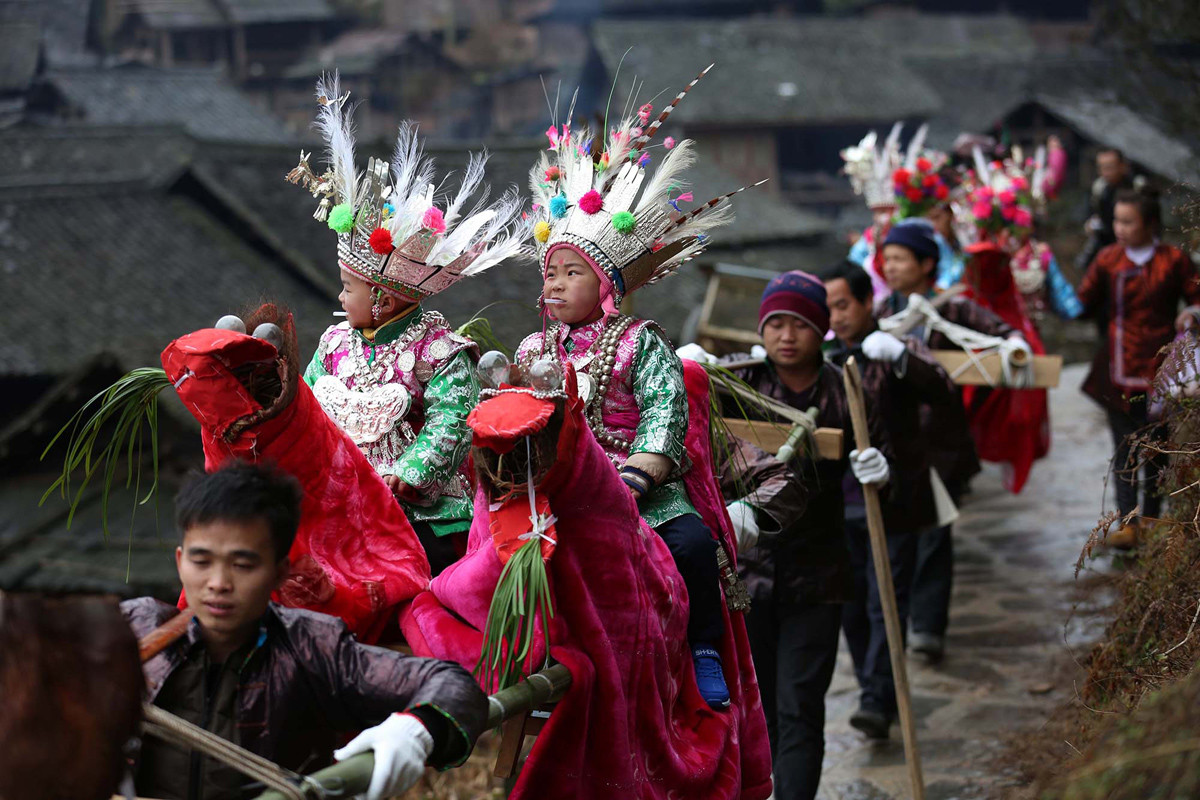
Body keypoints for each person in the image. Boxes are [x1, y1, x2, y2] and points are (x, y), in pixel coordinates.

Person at [516, 95, 760, 711]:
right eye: (550, 272)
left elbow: (664, 413)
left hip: (635, 483)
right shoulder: (532, 346)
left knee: (691, 545)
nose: (554, 282)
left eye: (571, 272)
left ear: (605, 285)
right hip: (557, 485)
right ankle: (531, 659)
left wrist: (636, 477)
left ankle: (704, 648)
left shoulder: (639, 340)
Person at [123, 462, 488, 800]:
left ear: (281, 571)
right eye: (201, 562)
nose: (218, 583)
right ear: (179, 561)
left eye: (243, 565)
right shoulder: (133, 629)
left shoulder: (312, 646)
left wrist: (417, 730)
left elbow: (454, 683)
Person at [290, 77, 525, 576]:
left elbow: (452, 422)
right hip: (338, 494)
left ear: (382, 296)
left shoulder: (440, 351)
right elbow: (307, 407)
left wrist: (407, 474)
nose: (340, 296)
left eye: (348, 288)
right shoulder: (333, 343)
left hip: (421, 506)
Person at [684, 271, 892, 799]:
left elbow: (888, 463)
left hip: (819, 575)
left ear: (820, 330)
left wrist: (879, 470)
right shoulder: (739, 382)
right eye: (774, 323)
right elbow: (684, 413)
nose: (786, 335)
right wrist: (686, 370)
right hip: (746, 575)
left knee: (800, 703)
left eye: (799, 324)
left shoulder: (849, 388)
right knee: (758, 704)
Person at [822, 260, 961, 738]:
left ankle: (876, 699)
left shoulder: (894, 349)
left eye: (843, 305)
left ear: (866, 303)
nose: (835, 317)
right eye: (827, 308)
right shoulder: (819, 360)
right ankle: (875, 689)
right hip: (837, 505)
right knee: (853, 607)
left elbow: (944, 389)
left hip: (892, 500)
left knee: (887, 602)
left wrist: (901, 357)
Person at [878, 219, 1024, 661]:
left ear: (927, 264)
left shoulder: (953, 309)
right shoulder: (883, 313)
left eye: (900, 259)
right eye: (886, 259)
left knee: (934, 536)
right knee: (900, 538)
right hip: (896, 444)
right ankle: (897, 623)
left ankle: (928, 628)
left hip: (940, 444)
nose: (890, 267)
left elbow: (1000, 333)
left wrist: (1015, 343)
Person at [1078, 186, 1200, 548]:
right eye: (1117, 220)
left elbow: (1196, 296)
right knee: (1124, 449)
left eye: (1128, 222)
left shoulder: (1174, 260)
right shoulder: (1107, 260)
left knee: (1157, 451)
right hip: (1118, 371)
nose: (1120, 228)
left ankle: (1152, 518)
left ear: (1149, 224)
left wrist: (1192, 313)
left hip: (1162, 370)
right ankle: (1129, 524)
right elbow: (1082, 303)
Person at [1077, 147, 1137, 273]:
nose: (1106, 172)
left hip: (1132, 244)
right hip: (1105, 241)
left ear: (1122, 166)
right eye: (1102, 167)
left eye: (1110, 167)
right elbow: (1091, 213)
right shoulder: (1100, 189)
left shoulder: (1136, 188)